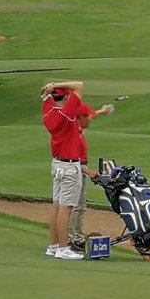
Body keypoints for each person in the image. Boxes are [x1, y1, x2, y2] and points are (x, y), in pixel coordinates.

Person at [40, 80, 113, 260]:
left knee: (56, 207)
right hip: (70, 166)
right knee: (66, 209)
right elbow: (79, 85)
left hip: (57, 165)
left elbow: (46, 96)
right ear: (65, 97)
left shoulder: (48, 112)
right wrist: (56, 83)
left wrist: (49, 89)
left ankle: (54, 245)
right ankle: (63, 248)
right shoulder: (67, 114)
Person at [66, 102, 113, 253]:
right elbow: (71, 161)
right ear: (79, 118)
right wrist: (89, 172)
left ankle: (76, 238)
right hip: (75, 173)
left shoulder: (79, 128)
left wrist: (103, 110)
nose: (90, 118)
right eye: (86, 116)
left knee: (80, 206)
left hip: (80, 172)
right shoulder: (74, 135)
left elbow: (91, 115)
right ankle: (71, 240)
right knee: (76, 206)